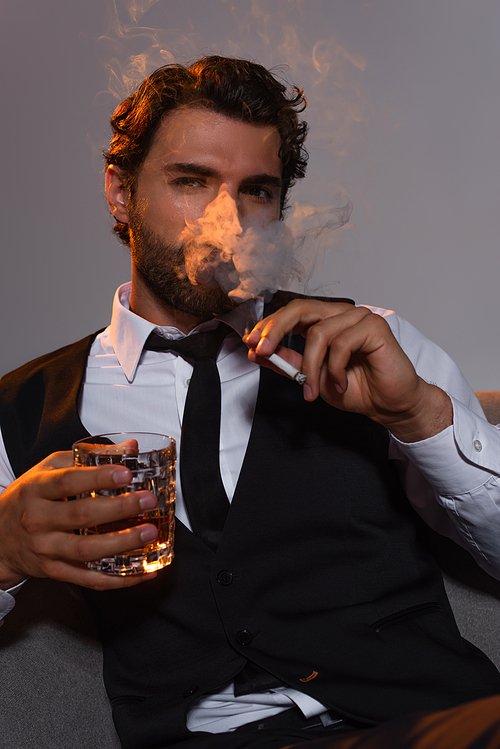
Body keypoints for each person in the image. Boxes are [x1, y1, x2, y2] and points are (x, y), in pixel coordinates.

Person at [1, 55, 500, 749]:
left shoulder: (371, 342)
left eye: (256, 191)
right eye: (191, 182)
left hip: (431, 726)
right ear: (120, 192)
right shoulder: (23, 407)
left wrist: (421, 415)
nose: (227, 221)